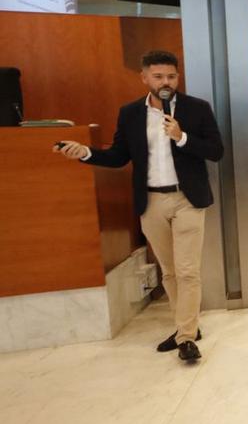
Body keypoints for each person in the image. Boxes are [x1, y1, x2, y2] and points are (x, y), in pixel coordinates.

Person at [54, 50, 222, 363]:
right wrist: (86, 153)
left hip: (188, 200)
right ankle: (187, 325)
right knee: (169, 272)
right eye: (158, 76)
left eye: (171, 76)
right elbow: (119, 155)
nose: (165, 82)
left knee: (187, 271)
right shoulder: (130, 113)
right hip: (151, 201)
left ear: (177, 77)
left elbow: (216, 151)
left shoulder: (197, 109)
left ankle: (186, 338)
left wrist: (182, 136)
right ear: (144, 77)